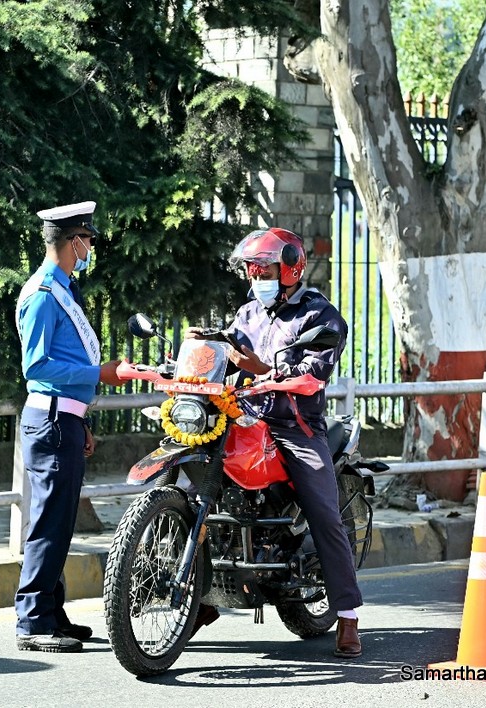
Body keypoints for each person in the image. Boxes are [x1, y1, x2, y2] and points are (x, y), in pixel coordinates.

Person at [188, 227, 364, 659]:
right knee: (194, 491)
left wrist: (269, 372)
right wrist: (204, 350)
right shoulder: (248, 313)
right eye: (251, 269)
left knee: (324, 513)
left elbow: (312, 374)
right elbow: (228, 356)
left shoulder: (317, 314)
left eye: (263, 268)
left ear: (289, 268)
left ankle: (347, 615)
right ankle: (201, 598)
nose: (255, 275)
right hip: (245, 419)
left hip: (295, 427)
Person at [14, 200, 124, 653]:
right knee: (47, 522)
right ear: (72, 240)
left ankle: (52, 615)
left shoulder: (64, 288)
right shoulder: (43, 293)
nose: (90, 248)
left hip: (65, 418)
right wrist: (101, 375)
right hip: (51, 418)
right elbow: (36, 365)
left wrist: (81, 418)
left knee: (59, 523)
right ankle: (33, 621)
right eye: (87, 240)